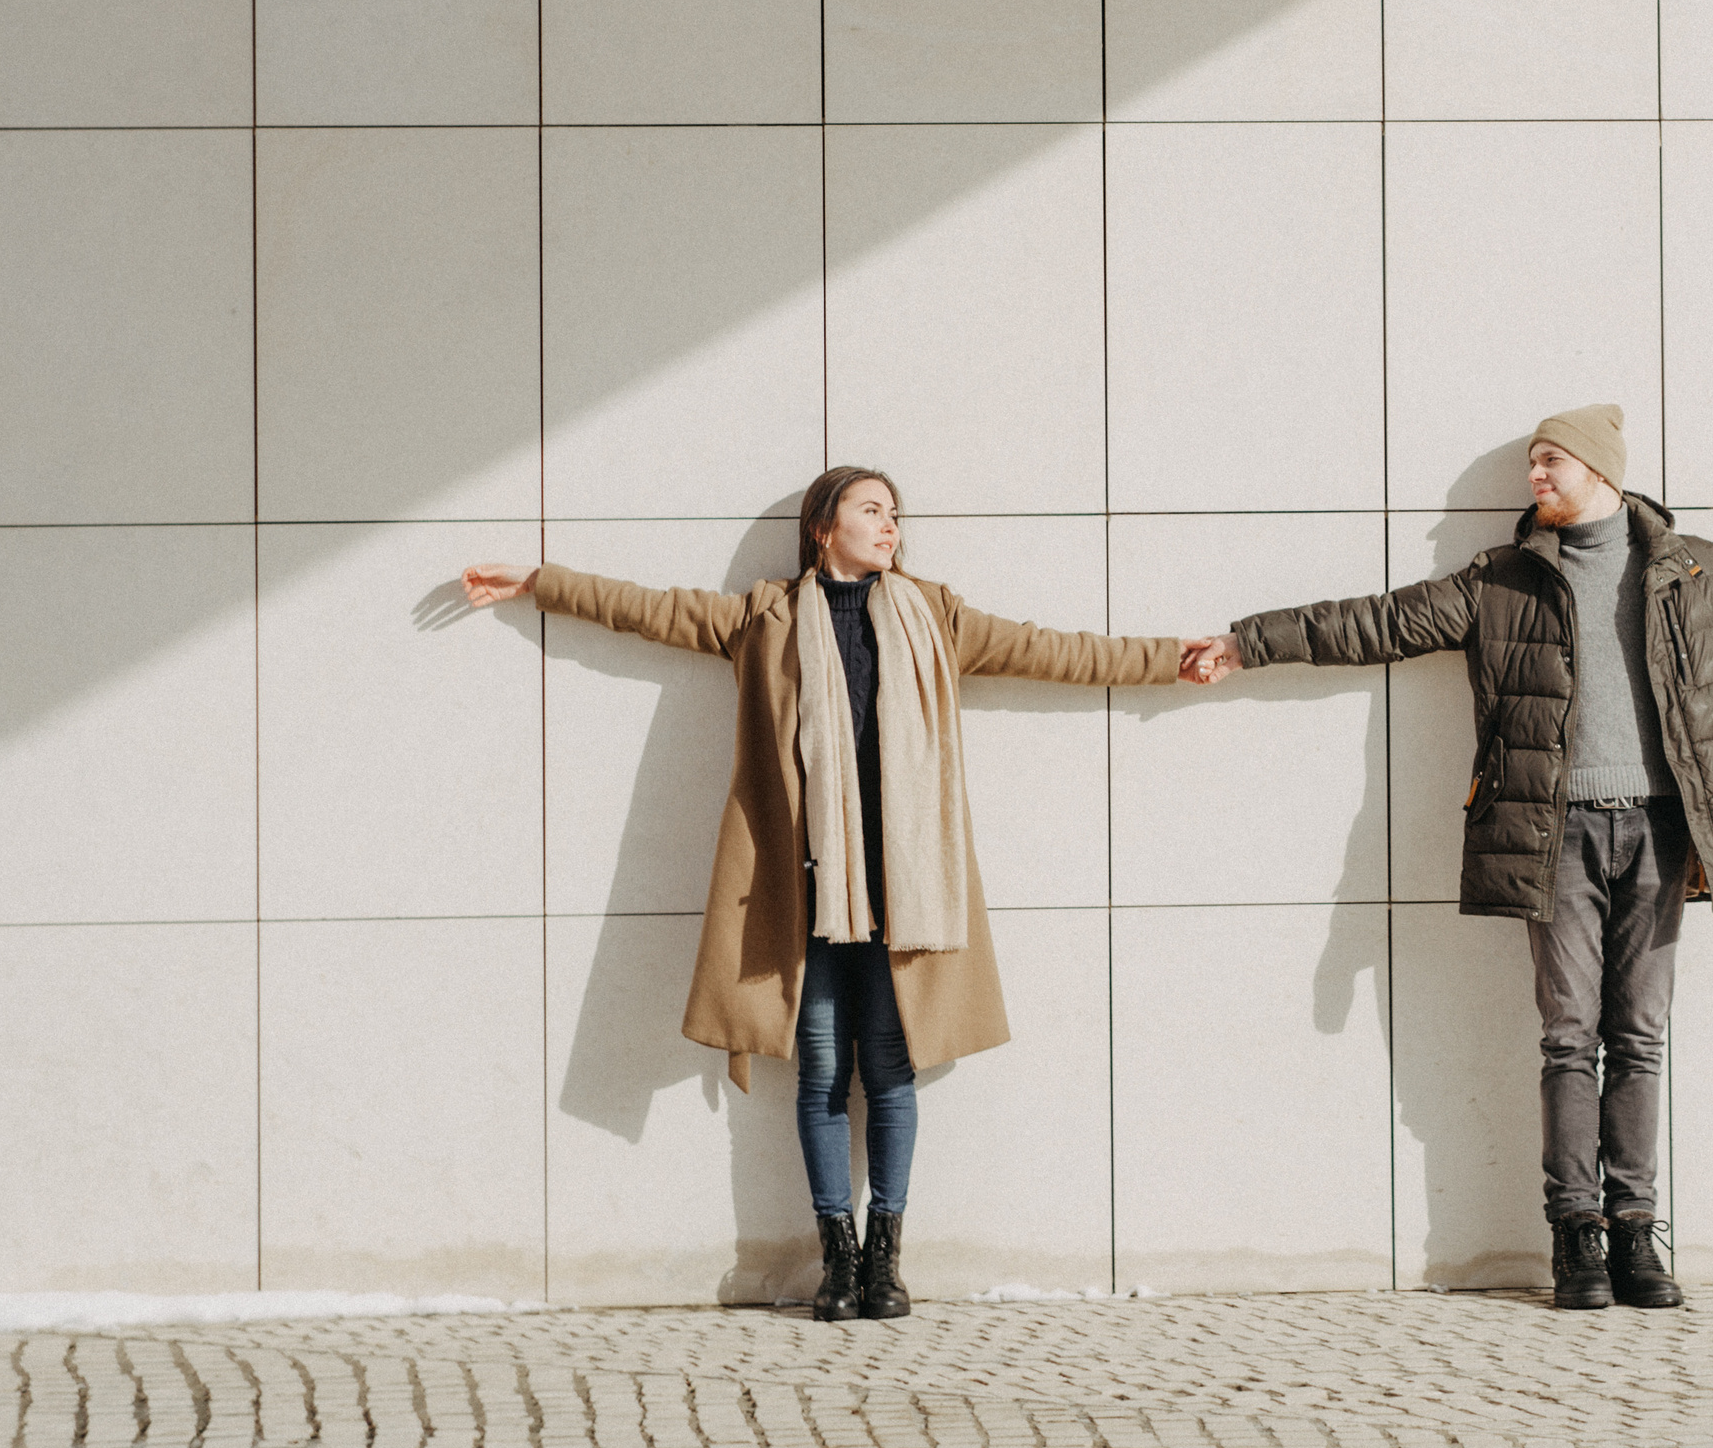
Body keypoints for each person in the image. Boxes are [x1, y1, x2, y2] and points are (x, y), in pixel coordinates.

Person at [1178, 404, 1713, 1314]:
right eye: (1531, 461)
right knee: (1569, 1038)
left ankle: (1637, 1233)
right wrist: (1248, 641)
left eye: (1550, 461)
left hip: (1662, 830)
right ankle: (1576, 1239)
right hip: (1551, 833)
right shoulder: (1502, 580)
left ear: (1601, 471)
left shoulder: (1696, 571)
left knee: (1639, 1040)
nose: (1535, 477)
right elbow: (1377, 623)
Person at [463, 465, 1201, 1322]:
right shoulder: (763, 617)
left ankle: (887, 1257)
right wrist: (538, 582)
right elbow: (647, 608)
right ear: (824, 527)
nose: (890, 524)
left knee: (889, 1070)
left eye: (895, 513)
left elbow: (1053, 649)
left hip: (903, 894)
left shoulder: (936, 614)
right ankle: (837, 1261)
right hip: (804, 893)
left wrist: (1168, 660)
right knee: (820, 1073)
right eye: (872, 509)